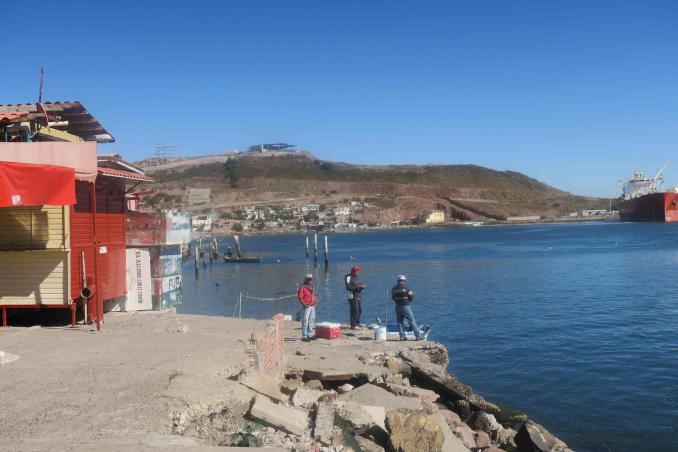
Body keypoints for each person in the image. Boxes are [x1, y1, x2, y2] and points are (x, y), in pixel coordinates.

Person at [391, 274, 421, 341]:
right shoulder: (407, 288)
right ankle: (417, 336)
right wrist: (408, 299)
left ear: (398, 281)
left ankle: (402, 336)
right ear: (404, 280)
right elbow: (411, 297)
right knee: (411, 320)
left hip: (397, 306)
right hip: (405, 306)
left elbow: (393, 297)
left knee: (399, 321)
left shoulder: (393, 288)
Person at [345, 265, 366, 329]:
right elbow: (348, 287)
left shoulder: (357, 277)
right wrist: (357, 287)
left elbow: (359, 284)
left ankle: (357, 323)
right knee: (354, 309)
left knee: (359, 310)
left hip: (358, 295)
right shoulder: (348, 277)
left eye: (358, 271)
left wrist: (362, 287)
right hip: (351, 295)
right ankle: (353, 325)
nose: (357, 272)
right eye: (355, 271)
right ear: (352, 271)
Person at [297, 273, 317, 341]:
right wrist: (304, 304)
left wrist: (315, 301)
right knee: (305, 321)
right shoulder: (302, 287)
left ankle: (310, 334)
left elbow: (313, 295)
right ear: (306, 279)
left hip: (312, 305)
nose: (309, 280)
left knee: (311, 320)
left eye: (310, 279)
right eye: (308, 279)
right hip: (306, 306)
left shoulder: (312, 287)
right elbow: (300, 297)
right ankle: (304, 336)